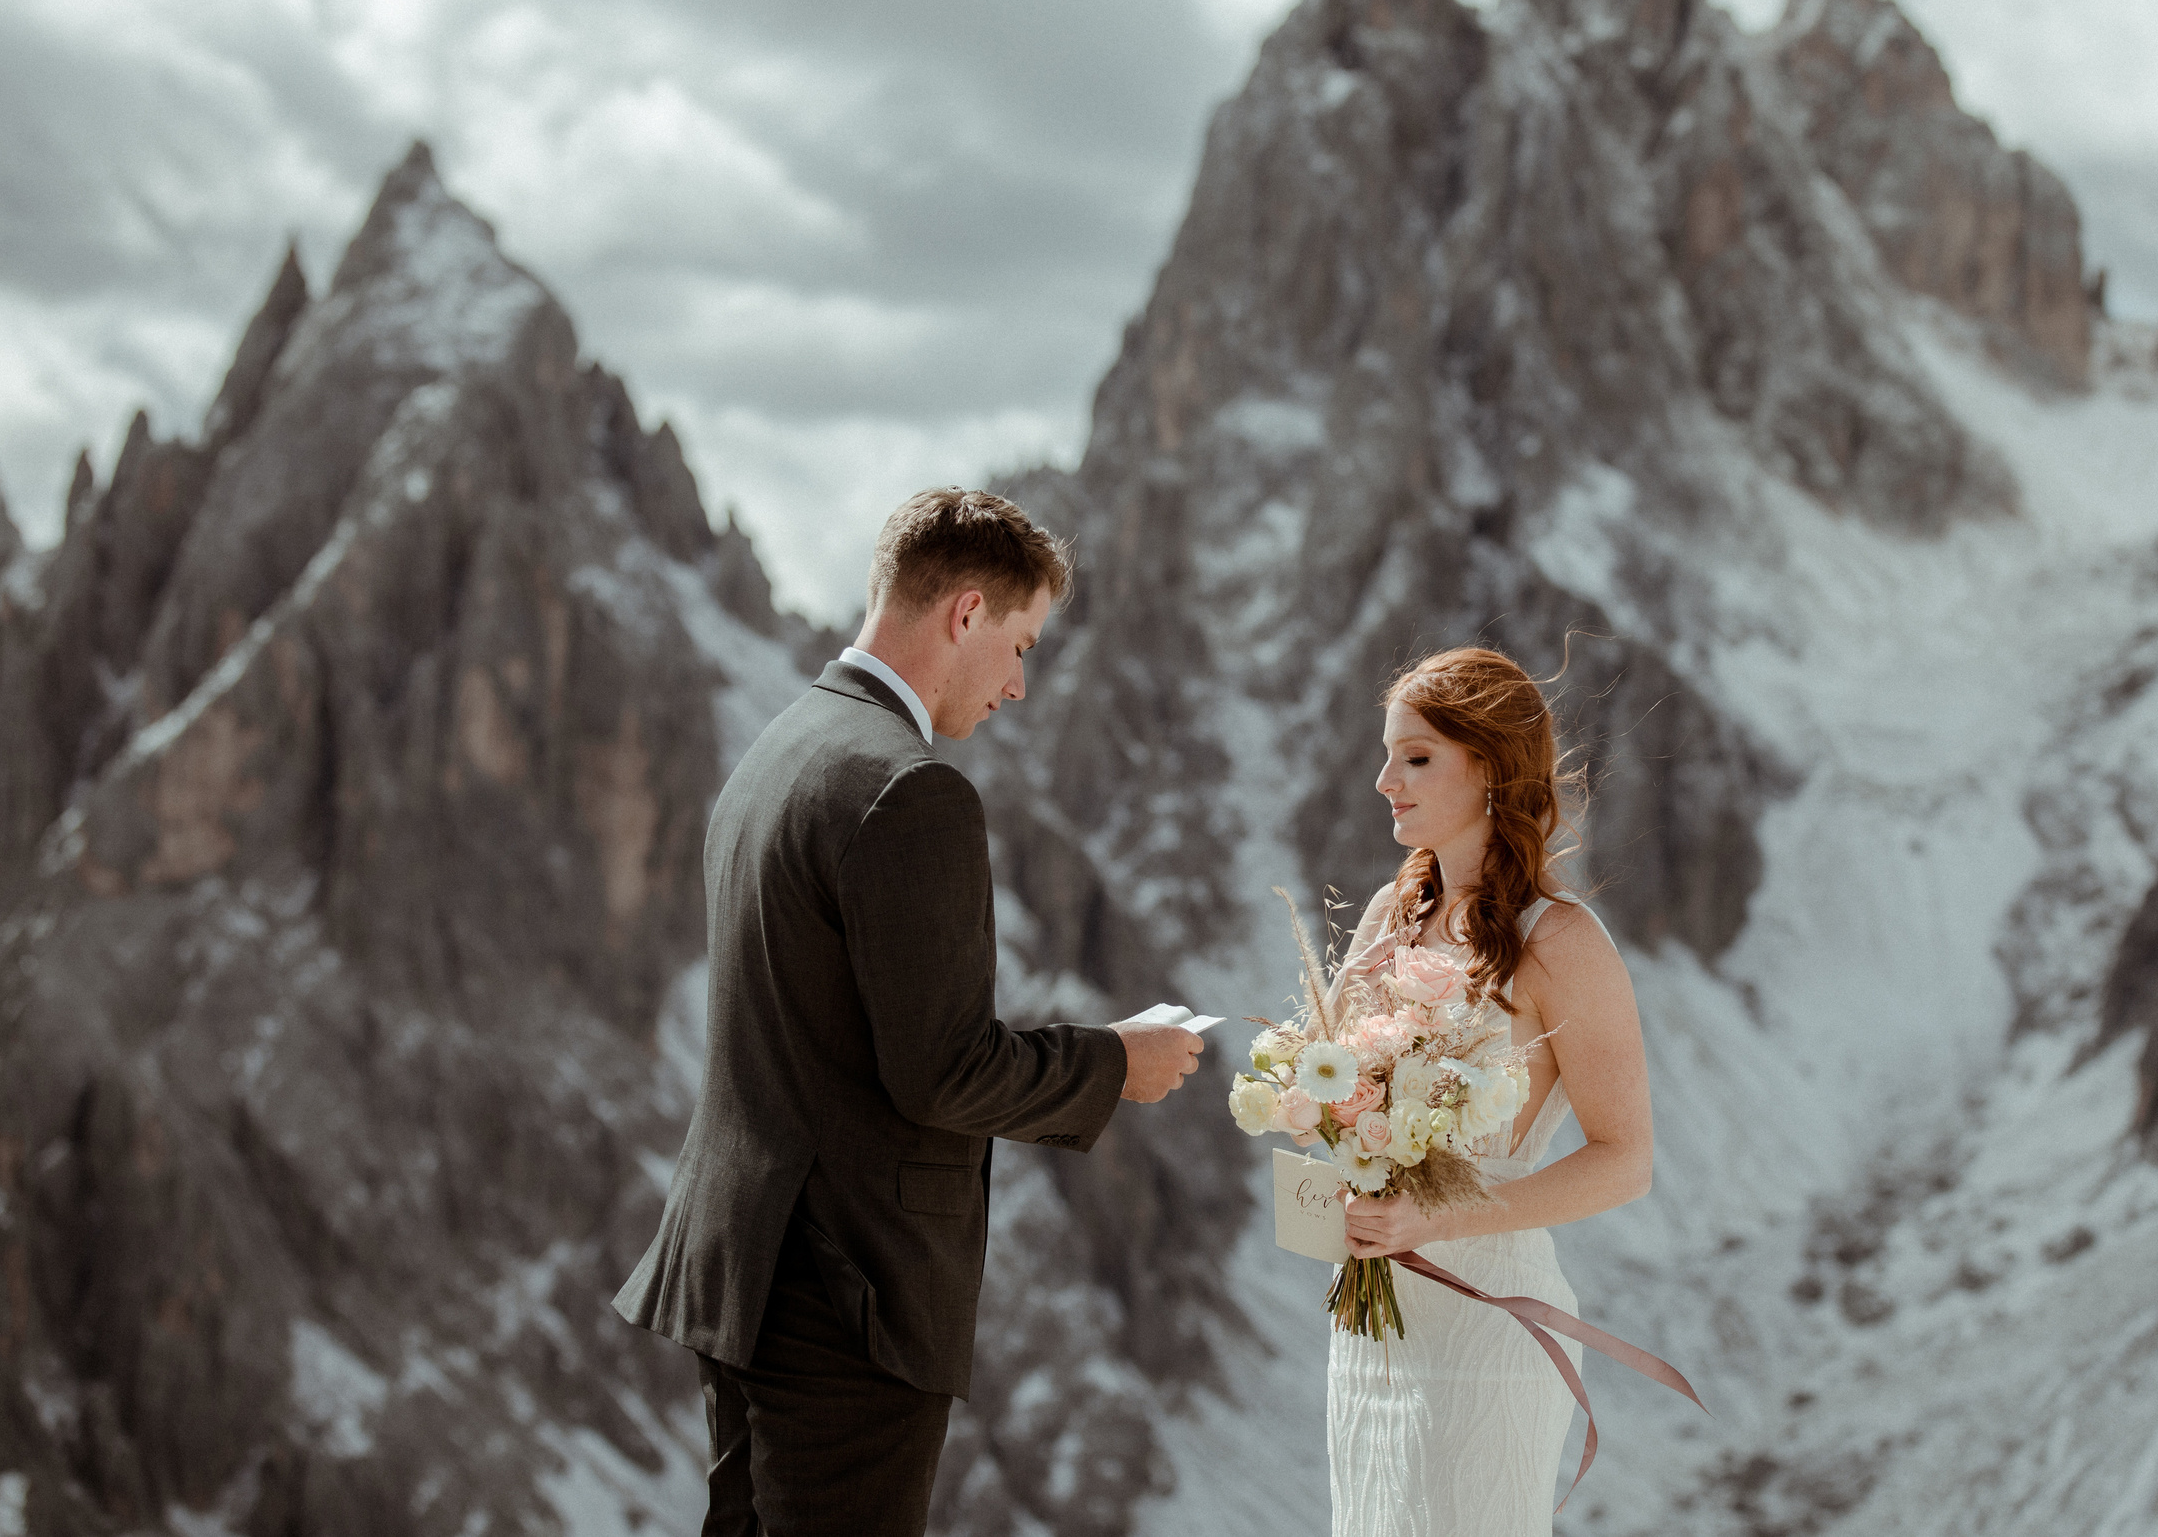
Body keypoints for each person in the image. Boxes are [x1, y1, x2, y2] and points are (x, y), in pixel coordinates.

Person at [610, 487, 1204, 1536]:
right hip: (848, 1298)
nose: (1019, 686)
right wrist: (1115, 1063)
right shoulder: (909, 789)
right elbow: (942, 1072)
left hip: (745, 1268)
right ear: (965, 614)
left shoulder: (780, 749)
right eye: (1020, 646)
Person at [1326, 647, 1656, 1537]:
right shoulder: (1386, 918)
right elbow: (1343, 1099)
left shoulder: (1564, 941)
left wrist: (1436, 1218)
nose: (1384, 778)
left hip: (1488, 1326)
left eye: (1417, 756)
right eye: (1389, 752)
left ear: (1489, 766)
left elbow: (1625, 1161)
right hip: (1372, 1331)